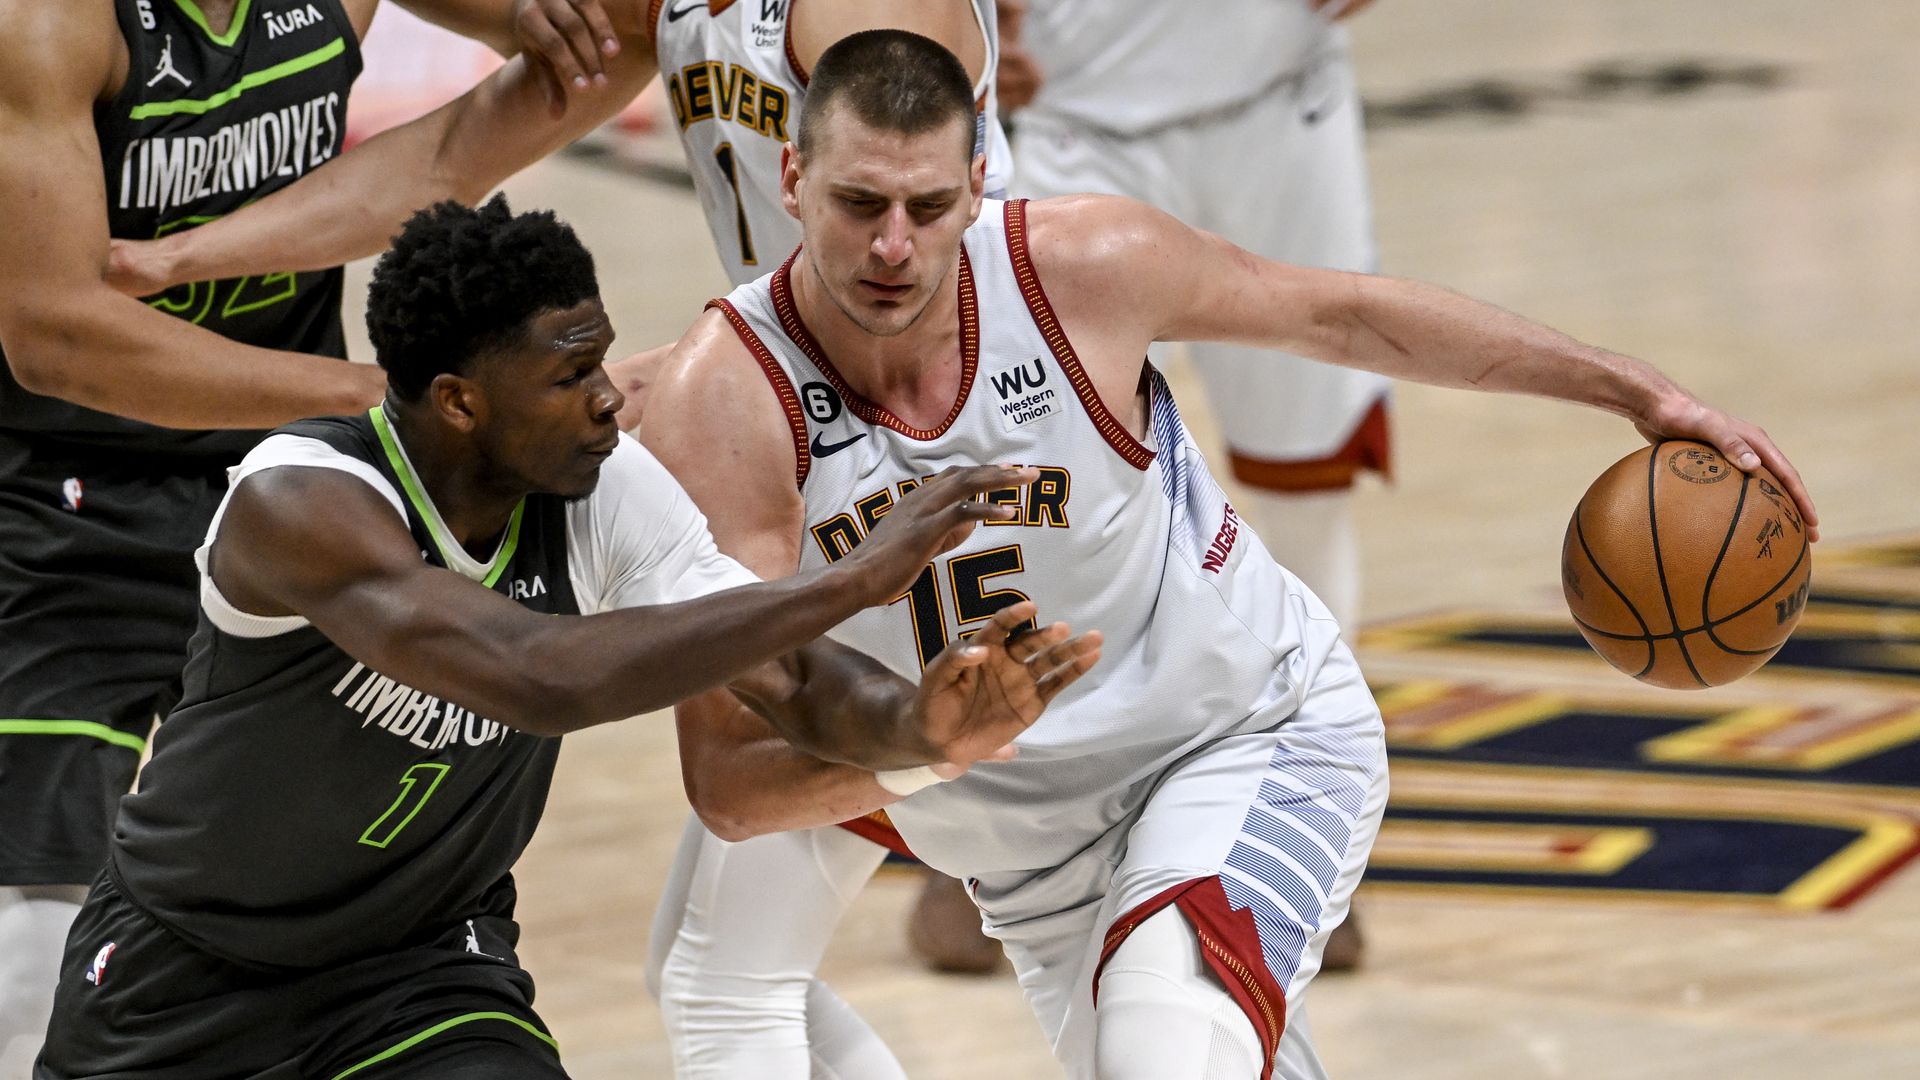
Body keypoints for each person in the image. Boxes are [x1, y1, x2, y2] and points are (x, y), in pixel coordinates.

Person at [634, 31, 1816, 1080]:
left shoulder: (1076, 270)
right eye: (859, 205)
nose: (894, 245)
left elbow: (1341, 314)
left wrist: (1635, 390)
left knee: (1165, 1050)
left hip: (1248, 737)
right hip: (1037, 867)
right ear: (790, 177)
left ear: (980, 178)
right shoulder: (726, 407)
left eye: (930, 207)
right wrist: (921, 751)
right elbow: (731, 786)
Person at [33, 195, 1099, 1080]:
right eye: (568, 378)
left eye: (599, 363)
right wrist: (858, 577)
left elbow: (784, 674)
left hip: (419, 973)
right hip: (183, 972)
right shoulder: (301, 502)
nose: (608, 402)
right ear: (457, 403)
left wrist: (920, 727)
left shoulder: (600, 489)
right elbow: (532, 675)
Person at [0, 0, 602, 1068]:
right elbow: (51, 331)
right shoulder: (51, 23)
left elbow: (614, 44)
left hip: (284, 488)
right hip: (58, 495)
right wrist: (396, 395)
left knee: (334, 884)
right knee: (28, 932)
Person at [1004, 0, 1387, 969]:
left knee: (1306, 486)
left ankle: (1308, 830)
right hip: (1069, 111)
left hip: (1278, 99)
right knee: (1043, 502)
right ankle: (1011, 842)